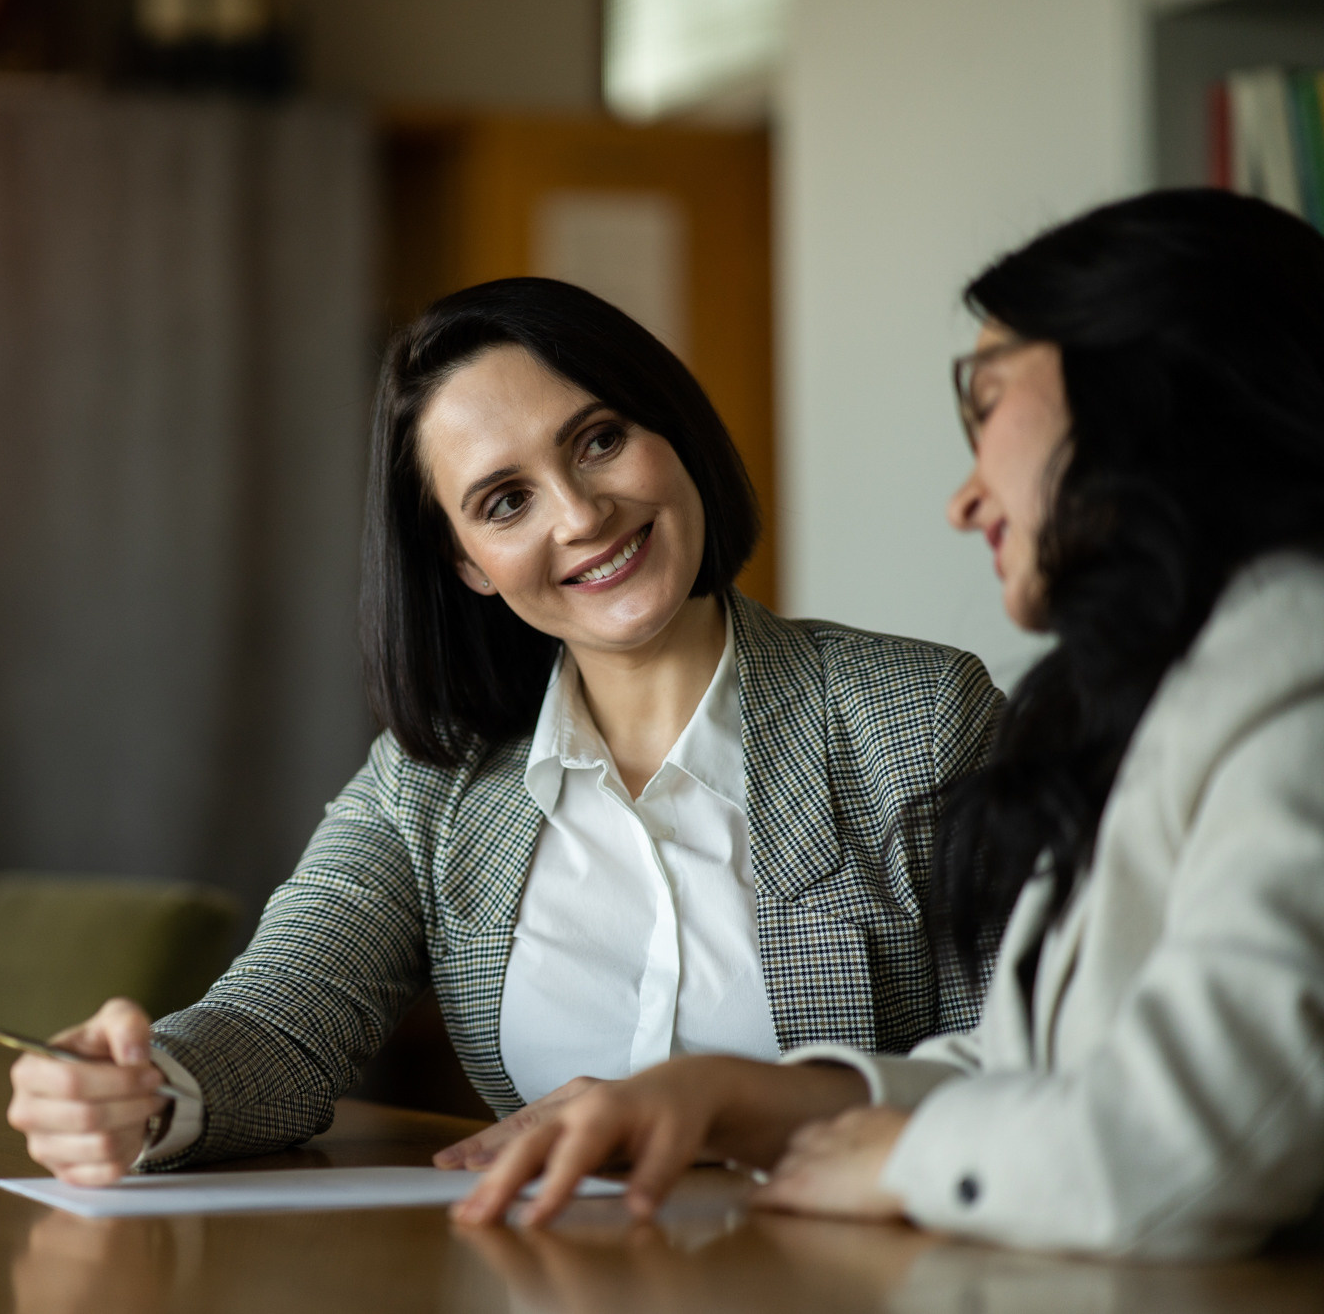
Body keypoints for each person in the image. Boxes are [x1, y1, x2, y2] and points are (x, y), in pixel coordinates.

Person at [452, 190, 1324, 1259]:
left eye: (987, 400)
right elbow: (1025, 1068)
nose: (963, 498)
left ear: (1150, 397)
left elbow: (1200, 1137)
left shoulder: (1293, 671)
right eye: (500, 501)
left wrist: (900, 1159)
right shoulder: (1163, 692)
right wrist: (730, 1096)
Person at [5, 277, 1002, 1184]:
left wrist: (734, 1115)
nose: (578, 513)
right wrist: (143, 1090)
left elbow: (1022, 1066)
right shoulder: (430, 781)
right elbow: (281, 1023)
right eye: (504, 500)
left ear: (671, 431)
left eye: (598, 439)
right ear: (469, 564)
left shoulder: (916, 716)